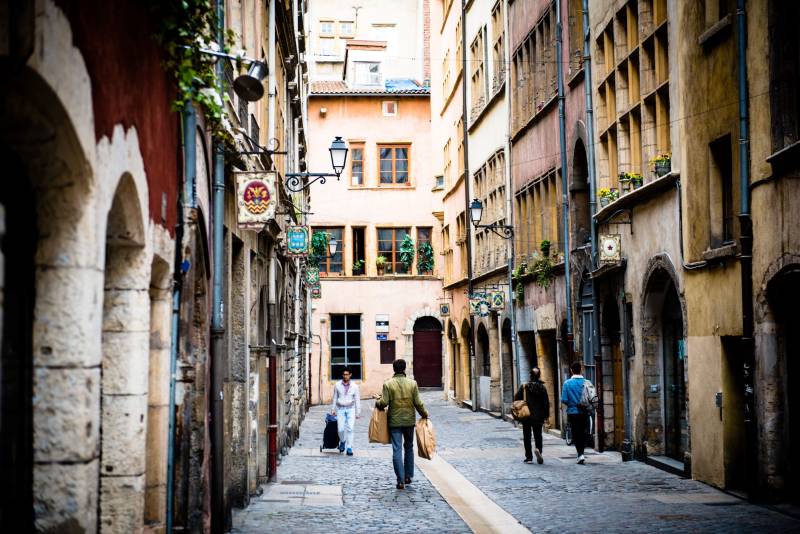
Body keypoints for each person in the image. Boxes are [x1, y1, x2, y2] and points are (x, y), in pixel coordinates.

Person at [374, 359, 429, 489]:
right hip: (409, 421)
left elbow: (384, 403)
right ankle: (408, 476)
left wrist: (377, 401)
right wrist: (425, 414)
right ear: (404, 369)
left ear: (394, 369)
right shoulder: (412, 384)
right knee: (409, 447)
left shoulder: (388, 384)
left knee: (397, 449)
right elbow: (418, 403)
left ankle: (400, 480)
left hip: (394, 422)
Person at [514, 367, 550, 464]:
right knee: (538, 435)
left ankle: (529, 457)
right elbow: (546, 403)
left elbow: (516, 398)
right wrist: (546, 416)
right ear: (539, 376)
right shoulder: (542, 388)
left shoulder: (524, 387)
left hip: (527, 415)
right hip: (538, 416)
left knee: (527, 436)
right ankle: (539, 451)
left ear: (530, 375)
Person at [561, 361, 590, 464]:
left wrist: (571, 402)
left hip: (573, 412)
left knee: (576, 433)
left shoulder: (567, 383)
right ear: (581, 369)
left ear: (571, 371)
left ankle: (580, 454)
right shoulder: (587, 382)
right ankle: (581, 453)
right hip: (584, 411)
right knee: (583, 432)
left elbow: (564, 399)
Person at [331, 367, 361, 456]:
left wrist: (358, 412)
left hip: (351, 409)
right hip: (340, 409)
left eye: (347, 374)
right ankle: (343, 441)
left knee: (350, 428)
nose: (345, 376)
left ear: (350, 375)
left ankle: (349, 447)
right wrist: (333, 409)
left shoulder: (355, 386)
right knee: (340, 429)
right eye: (344, 374)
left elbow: (357, 399)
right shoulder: (337, 385)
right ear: (342, 375)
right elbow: (335, 397)